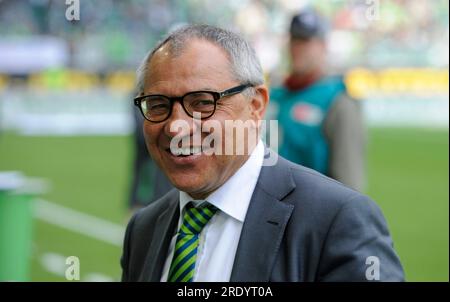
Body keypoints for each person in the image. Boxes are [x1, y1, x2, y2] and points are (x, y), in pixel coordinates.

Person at [121, 24, 403, 282]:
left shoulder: (337, 220)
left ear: (255, 106)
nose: (176, 127)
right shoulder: (144, 229)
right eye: (157, 104)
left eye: (202, 102)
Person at [270, 8, 366, 191]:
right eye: (294, 40)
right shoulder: (276, 94)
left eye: (306, 41)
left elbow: (349, 182)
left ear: (323, 45)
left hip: (310, 210)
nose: (298, 48)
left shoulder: (338, 101)